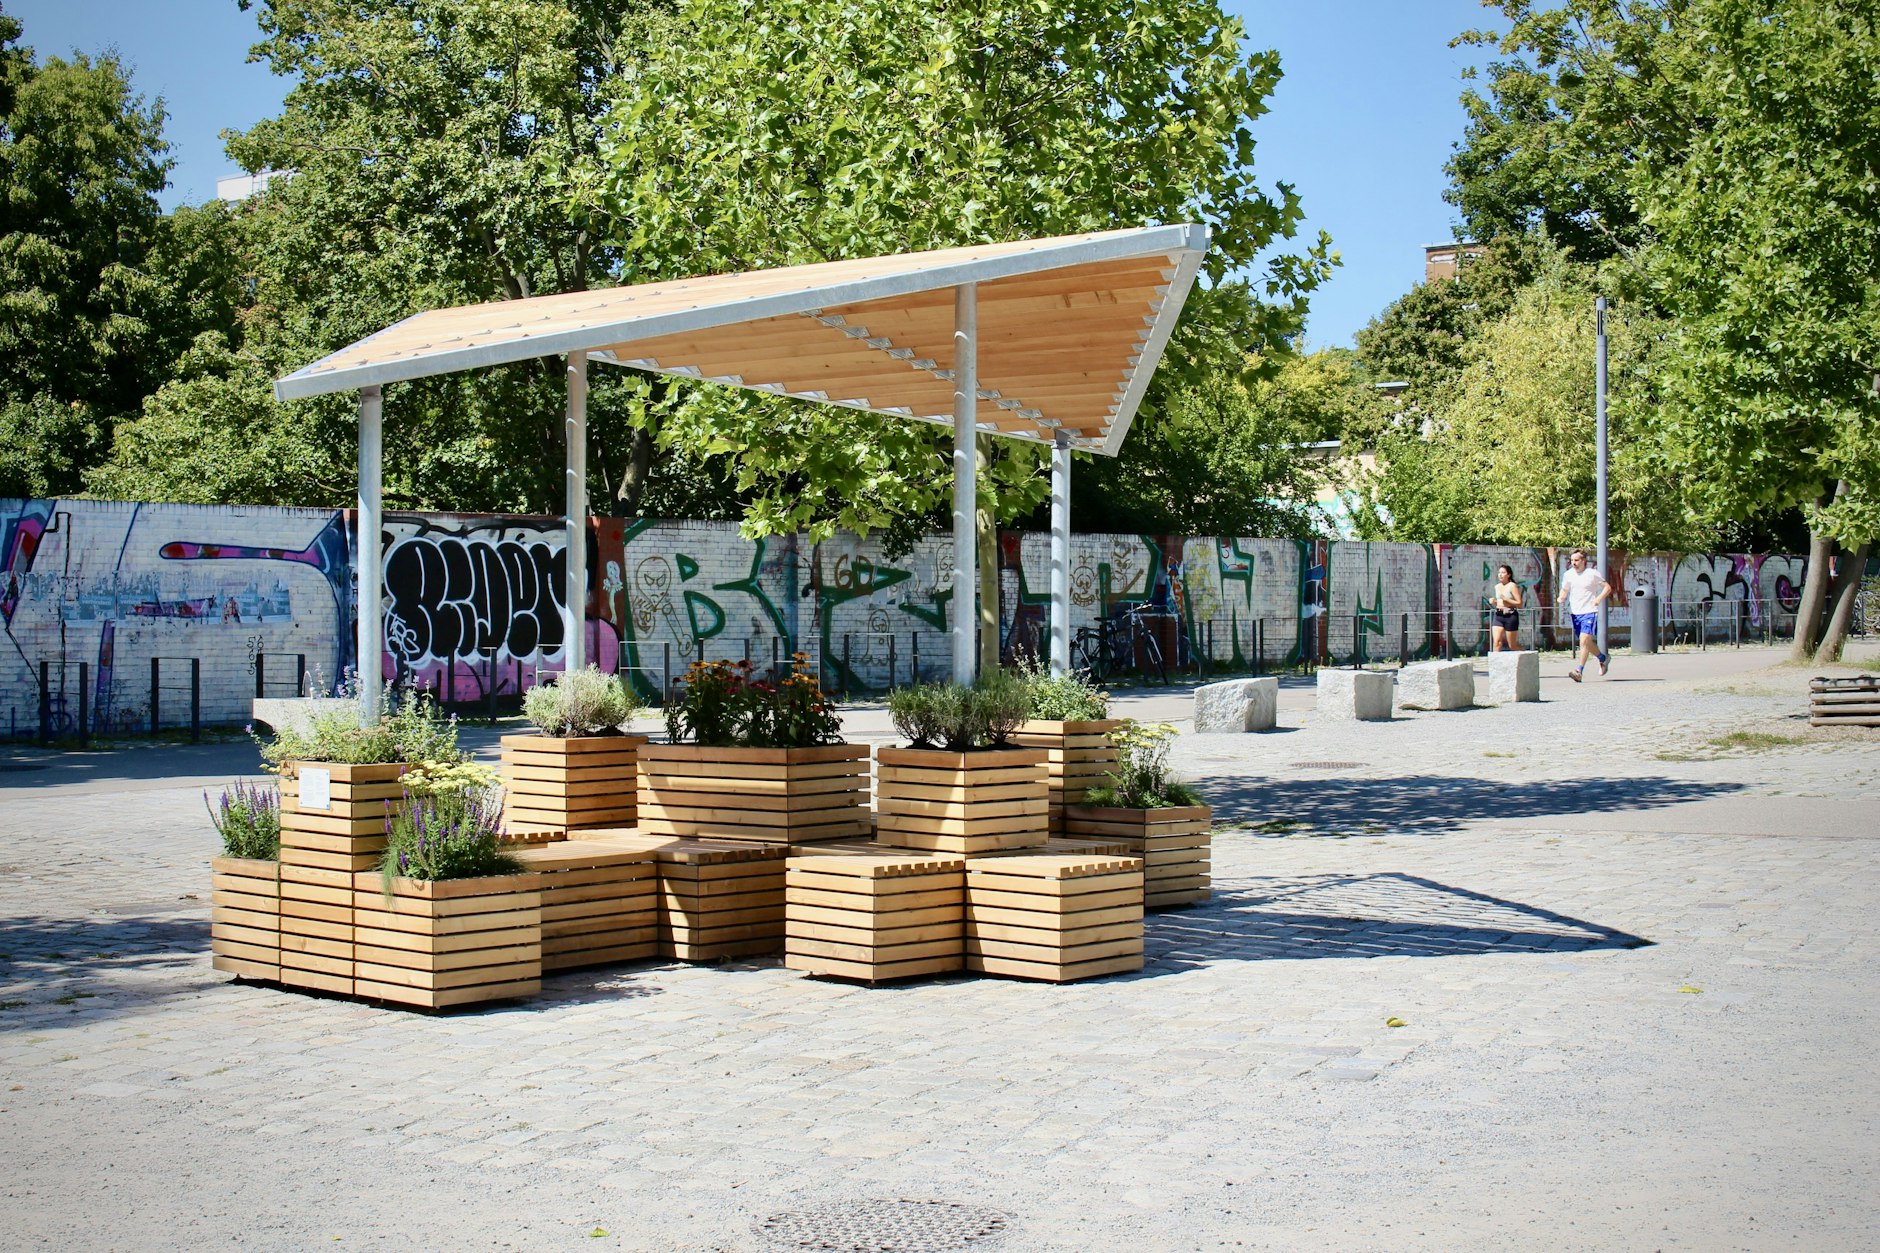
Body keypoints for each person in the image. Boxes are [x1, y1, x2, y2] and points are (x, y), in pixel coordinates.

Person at [1559, 548, 1612, 682]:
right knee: (1586, 642)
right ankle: (1603, 658)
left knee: (1584, 640)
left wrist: (1598, 599)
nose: (1573, 563)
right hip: (1575, 612)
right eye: (1571, 560)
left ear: (1584, 561)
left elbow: (1607, 588)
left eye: (1576, 560)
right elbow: (1565, 589)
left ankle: (1579, 671)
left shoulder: (1592, 574)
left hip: (1589, 611)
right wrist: (1562, 597)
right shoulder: (1568, 575)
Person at [1489, 563, 1522, 651]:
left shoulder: (1512, 586)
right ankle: (1495, 664)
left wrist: (1506, 599)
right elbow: (1500, 602)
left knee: (1512, 646)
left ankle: (1525, 654)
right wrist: (1494, 602)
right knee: (1496, 642)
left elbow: (1519, 603)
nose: (1500, 574)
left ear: (1508, 575)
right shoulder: (1497, 587)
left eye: (1503, 572)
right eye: (1499, 572)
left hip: (1510, 616)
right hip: (1498, 615)